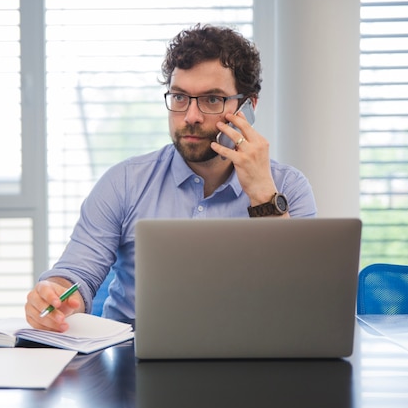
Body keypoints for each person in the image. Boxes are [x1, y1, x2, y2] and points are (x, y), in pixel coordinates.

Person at [25, 24, 317, 331]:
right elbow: (76, 272)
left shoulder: (287, 188)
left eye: (212, 100)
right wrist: (55, 293)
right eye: (179, 97)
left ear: (248, 107)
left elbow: (302, 301)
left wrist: (263, 197)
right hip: (131, 361)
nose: (191, 116)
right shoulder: (123, 182)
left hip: (250, 359)